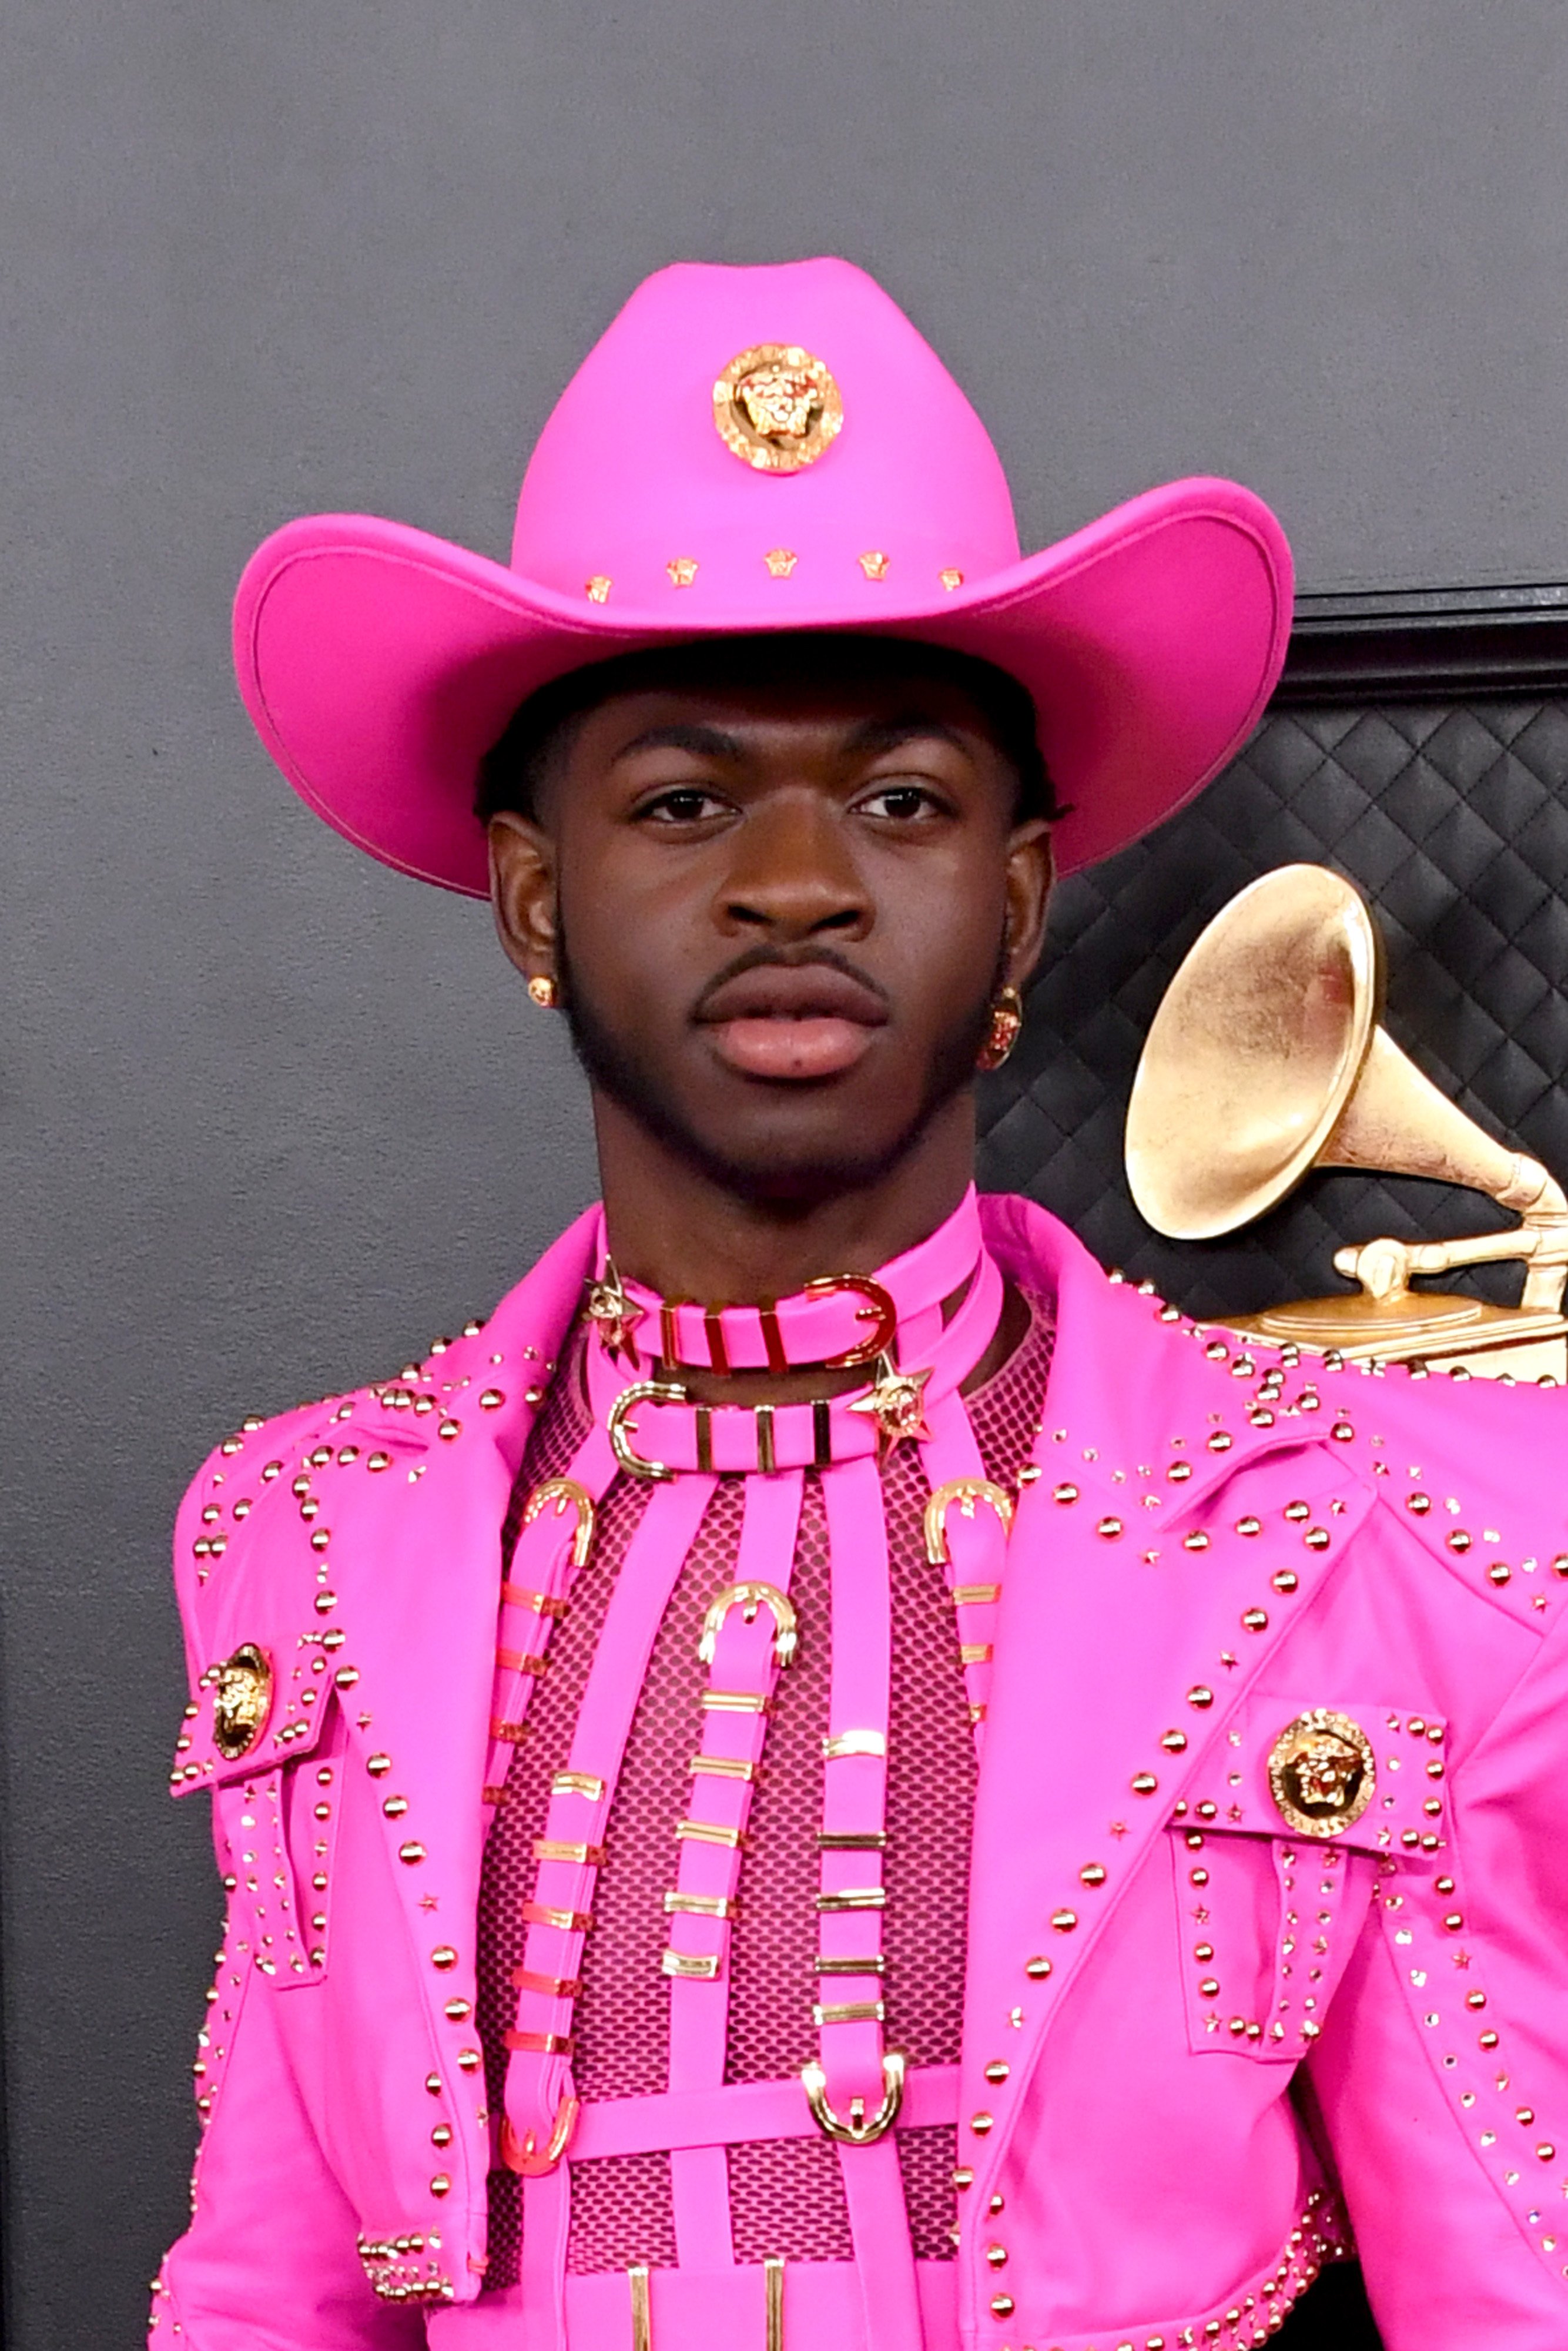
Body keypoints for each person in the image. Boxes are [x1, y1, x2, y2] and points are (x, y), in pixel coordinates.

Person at [150, 259, 1568, 2351]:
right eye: (682, 801)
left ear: (1013, 892)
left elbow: (1511, 2287)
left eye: (899, 800)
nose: (797, 880)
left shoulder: (1372, 1533)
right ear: (539, 897)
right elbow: (267, 2293)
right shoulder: (308, 1544)